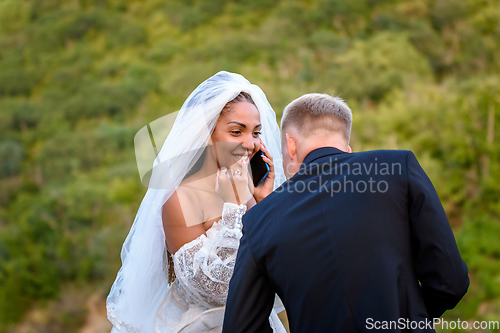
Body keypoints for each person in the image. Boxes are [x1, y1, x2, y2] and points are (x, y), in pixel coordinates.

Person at [223, 93, 469, 332]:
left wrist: (267, 207)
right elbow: (451, 283)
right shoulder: (398, 168)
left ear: (290, 144)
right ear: (347, 148)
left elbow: (240, 326)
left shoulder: (259, 219)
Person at [107, 71, 287, 333]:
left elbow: (279, 271)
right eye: (237, 131)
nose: (250, 144)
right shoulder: (180, 198)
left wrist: (266, 205)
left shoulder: (248, 192)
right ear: (206, 134)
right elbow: (213, 292)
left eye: (256, 133)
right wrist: (233, 209)